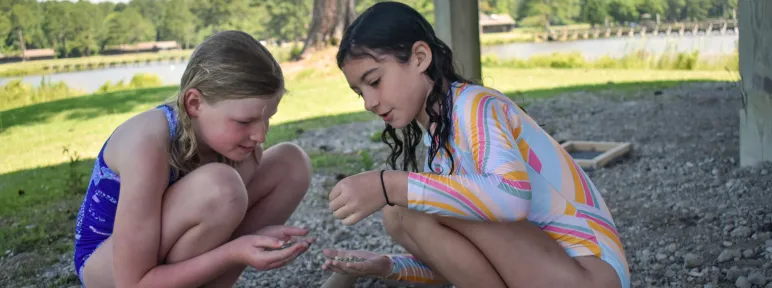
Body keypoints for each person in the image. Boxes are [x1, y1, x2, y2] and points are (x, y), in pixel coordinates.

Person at [321, 2, 630, 288]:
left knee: (405, 207)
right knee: (403, 211)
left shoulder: (475, 105)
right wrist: (385, 265)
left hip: (591, 274)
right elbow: (459, 266)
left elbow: (512, 197)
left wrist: (390, 184)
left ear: (419, 58)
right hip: (548, 269)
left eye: (374, 81)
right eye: (359, 93)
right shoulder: (439, 143)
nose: (369, 103)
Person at [73, 30, 315, 287]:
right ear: (194, 103)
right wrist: (233, 252)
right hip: (111, 268)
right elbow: (133, 283)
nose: (260, 134)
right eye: (245, 121)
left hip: (162, 253)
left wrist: (252, 238)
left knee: (291, 163)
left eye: (268, 118)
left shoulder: (241, 147)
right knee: (221, 187)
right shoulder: (147, 143)